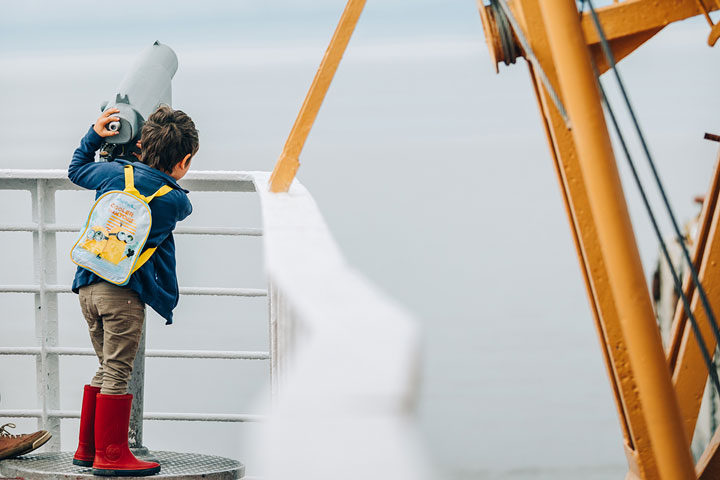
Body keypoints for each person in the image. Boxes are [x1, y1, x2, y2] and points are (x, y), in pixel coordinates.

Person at [67, 105, 198, 476]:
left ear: (140, 145)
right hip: (122, 296)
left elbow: (76, 169)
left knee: (105, 367)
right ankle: (111, 454)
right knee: (118, 372)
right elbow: (183, 205)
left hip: (87, 286)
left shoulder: (112, 173)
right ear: (185, 161)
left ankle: (86, 447)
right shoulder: (174, 200)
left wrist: (95, 136)